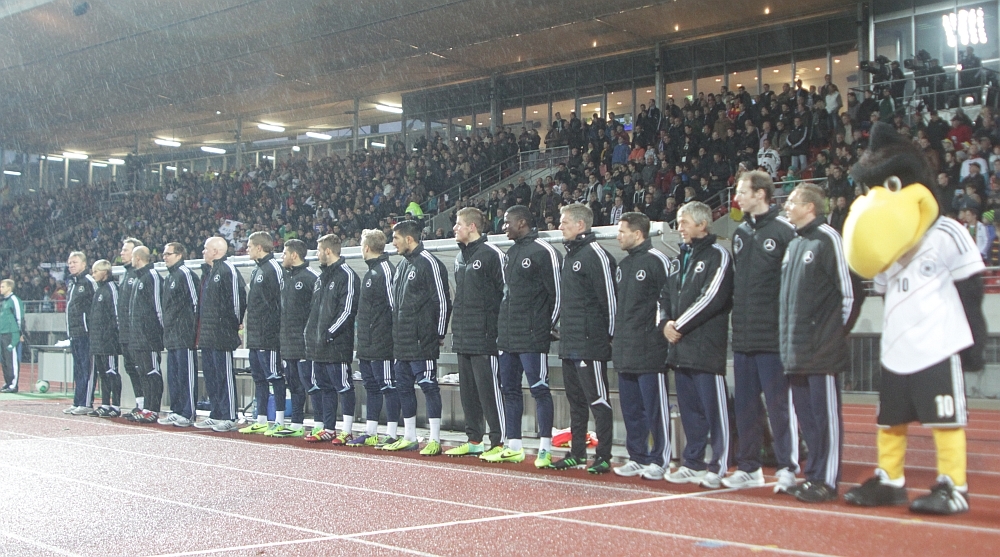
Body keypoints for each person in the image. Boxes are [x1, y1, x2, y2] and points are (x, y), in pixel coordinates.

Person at [843, 122, 986, 515]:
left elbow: (971, 287)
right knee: (889, 420)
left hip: (938, 342)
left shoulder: (947, 232)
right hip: (896, 347)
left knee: (945, 419)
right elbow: (882, 287)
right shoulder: (890, 246)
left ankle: (953, 485)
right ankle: (890, 480)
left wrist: (974, 340)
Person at [779, 183, 861, 503]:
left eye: (792, 201)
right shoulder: (794, 244)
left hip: (821, 351)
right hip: (796, 351)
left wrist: (833, 335)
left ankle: (826, 480)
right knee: (808, 420)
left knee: (825, 419)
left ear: (810, 207)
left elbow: (849, 294)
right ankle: (812, 475)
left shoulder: (828, 238)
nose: (786, 206)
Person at [723, 171, 800, 492]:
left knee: (780, 406)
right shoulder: (740, 233)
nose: (737, 197)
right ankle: (749, 467)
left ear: (760, 194)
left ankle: (788, 468)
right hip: (743, 337)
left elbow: (794, 285)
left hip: (773, 338)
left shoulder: (785, 232)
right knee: (746, 407)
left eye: (742, 191)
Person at [660, 201, 734, 489]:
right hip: (680, 349)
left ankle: (719, 465)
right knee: (690, 412)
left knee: (715, 412)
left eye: (684, 222)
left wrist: (677, 325)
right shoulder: (678, 259)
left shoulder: (718, 254)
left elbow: (712, 297)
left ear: (702, 224)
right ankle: (692, 462)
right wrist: (664, 323)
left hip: (705, 347)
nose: (679, 227)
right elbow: (664, 297)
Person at [489, 205, 560, 465]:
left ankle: (545, 448)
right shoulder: (511, 253)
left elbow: (558, 294)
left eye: (507, 222)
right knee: (509, 390)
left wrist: (548, 326)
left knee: (539, 390)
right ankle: (514, 445)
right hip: (508, 337)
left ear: (521, 223)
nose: (503, 227)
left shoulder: (544, 251)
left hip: (532, 336)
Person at [554, 203, 617, 474]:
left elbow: (610, 301)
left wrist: (611, 336)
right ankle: (577, 453)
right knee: (576, 403)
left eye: (564, 222)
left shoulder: (596, 255)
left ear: (580, 225)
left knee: (598, 401)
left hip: (590, 344)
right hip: (569, 342)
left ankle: (603, 456)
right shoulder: (569, 256)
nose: (560, 227)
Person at [382, 220, 452, 455]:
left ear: (409, 239)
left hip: (423, 340)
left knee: (428, 386)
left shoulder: (430, 263)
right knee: (403, 388)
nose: (393, 243)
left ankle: (435, 439)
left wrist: (439, 333)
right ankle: (410, 437)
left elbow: (442, 301)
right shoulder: (401, 266)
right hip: (401, 341)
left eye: (395, 238)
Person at [611, 212, 672, 480]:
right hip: (625, 349)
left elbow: (669, 301)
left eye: (622, 231)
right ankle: (637, 457)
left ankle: (660, 459)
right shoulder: (623, 265)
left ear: (638, 234)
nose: (618, 236)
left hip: (650, 350)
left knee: (655, 409)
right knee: (632, 409)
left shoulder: (658, 260)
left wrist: (660, 334)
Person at [445, 208, 507, 459]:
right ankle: (474, 439)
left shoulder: (493, 254)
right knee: (469, 393)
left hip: (485, 338)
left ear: (472, 227)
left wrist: (498, 330)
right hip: (463, 337)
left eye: (458, 224)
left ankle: (500, 442)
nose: (454, 228)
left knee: (490, 392)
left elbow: (506, 295)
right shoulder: (459, 258)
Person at [304, 234, 361, 445]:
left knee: (343, 387)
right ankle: (328, 428)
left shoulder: (347, 275)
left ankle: (347, 430)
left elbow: (347, 310)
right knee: (325, 387)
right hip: (318, 346)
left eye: (319, 250)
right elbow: (314, 311)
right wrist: (311, 335)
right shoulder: (321, 278)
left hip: (337, 344)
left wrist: (329, 333)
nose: (317, 254)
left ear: (328, 251)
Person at [347, 229, 401, 447]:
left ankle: (392, 433)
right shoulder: (371, 272)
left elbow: (394, 306)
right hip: (367, 342)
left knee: (388, 386)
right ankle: (371, 432)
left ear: (366, 247)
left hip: (382, 342)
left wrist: (391, 337)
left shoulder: (386, 270)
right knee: (371, 386)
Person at [193, 237, 247, 432]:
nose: (203, 252)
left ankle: (230, 416)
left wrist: (232, 326)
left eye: (206, 249)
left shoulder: (227, 269)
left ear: (216, 251)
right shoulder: (208, 273)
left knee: (224, 376)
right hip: (207, 334)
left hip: (222, 333)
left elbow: (238, 300)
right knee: (211, 376)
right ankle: (216, 414)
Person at [239, 232, 288, 435]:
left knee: (275, 377)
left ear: (259, 247)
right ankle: (260, 419)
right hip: (255, 336)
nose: (247, 249)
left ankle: (280, 420)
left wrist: (276, 331)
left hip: (269, 337)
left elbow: (281, 302)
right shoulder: (256, 270)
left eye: (250, 246)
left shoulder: (274, 268)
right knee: (259, 378)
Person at [276, 239, 320, 438]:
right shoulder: (285, 278)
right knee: (294, 384)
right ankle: (296, 423)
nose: (282, 257)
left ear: (294, 255)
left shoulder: (312, 277)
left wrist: (311, 337)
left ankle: (320, 423)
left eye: (284, 253)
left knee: (311, 384)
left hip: (305, 344)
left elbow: (317, 312)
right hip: (288, 342)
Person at [157, 242, 200, 428]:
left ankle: (188, 412)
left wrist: (192, 330)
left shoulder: (185, 274)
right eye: (164, 254)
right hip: (172, 335)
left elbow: (196, 303)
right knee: (174, 376)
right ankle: (176, 410)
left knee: (186, 375)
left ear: (179, 255)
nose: (164, 257)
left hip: (184, 335)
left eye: (168, 254)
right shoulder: (169, 277)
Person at [128, 246, 165, 424]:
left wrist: (159, 330)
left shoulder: (152, 276)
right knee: (143, 372)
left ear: (138, 258)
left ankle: (153, 409)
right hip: (138, 336)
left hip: (149, 336)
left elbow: (158, 307)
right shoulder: (139, 278)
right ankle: (147, 408)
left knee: (152, 372)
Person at [85, 262, 121, 416]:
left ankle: (116, 406)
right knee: (103, 374)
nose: (93, 275)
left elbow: (117, 314)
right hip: (98, 340)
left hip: (109, 341)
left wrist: (115, 336)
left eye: (96, 271)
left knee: (111, 372)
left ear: (105, 272)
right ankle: (105, 404)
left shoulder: (112, 289)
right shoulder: (99, 290)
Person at [64, 251, 97, 415]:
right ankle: (78, 401)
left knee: (87, 369)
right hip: (74, 333)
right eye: (70, 263)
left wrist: (92, 329)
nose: (71, 265)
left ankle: (86, 403)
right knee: (78, 369)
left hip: (86, 333)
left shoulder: (89, 282)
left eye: (74, 262)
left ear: (84, 264)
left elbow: (97, 307)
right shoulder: (72, 284)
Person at [117, 238, 146, 419]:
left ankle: (148, 406)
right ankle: (140, 404)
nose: (122, 253)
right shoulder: (126, 274)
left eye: (125, 250)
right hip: (125, 333)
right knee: (131, 368)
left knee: (141, 368)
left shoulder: (139, 275)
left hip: (137, 334)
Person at [0, 279, 25, 394]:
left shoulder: (14, 300)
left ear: (9, 288)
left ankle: (13, 385)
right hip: (2, 333)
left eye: (2, 286)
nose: (0, 288)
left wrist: (21, 333)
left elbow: (19, 317)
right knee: (5, 360)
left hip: (11, 334)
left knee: (12, 359)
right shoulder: (3, 301)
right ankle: (8, 382)